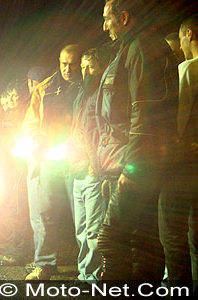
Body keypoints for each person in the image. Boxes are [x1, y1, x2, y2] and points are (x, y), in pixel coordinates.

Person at [96, 0, 178, 280]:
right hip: (123, 161)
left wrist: (132, 167)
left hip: (136, 165)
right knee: (139, 242)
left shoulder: (140, 47)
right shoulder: (129, 48)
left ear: (125, 17)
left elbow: (144, 110)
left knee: (112, 240)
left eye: (107, 19)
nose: (104, 26)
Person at [22, 44, 82, 280]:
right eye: (64, 63)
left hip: (78, 156)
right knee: (44, 211)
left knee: (84, 215)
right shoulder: (45, 88)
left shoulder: (88, 84)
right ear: (58, 61)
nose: (68, 68)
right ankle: (45, 264)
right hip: (49, 156)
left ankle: (91, 269)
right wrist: (33, 143)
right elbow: (31, 120)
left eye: (73, 63)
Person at [159, 14, 198, 292]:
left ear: (190, 34)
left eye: (182, 37)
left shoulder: (188, 70)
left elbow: (181, 120)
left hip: (186, 163)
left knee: (172, 232)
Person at [69, 48, 110, 284]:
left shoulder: (103, 94)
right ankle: (84, 273)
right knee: (81, 227)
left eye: (90, 67)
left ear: (101, 68)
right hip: (78, 168)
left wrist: (97, 164)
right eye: (83, 67)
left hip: (94, 170)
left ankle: (93, 277)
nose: (85, 72)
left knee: (93, 230)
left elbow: (101, 132)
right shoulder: (81, 95)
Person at [0, 79, 33, 267]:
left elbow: (16, 140)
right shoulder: (9, 115)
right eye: (5, 103)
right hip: (8, 166)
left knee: (17, 208)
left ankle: (17, 251)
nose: (8, 105)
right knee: (10, 207)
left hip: (18, 165)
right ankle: (12, 247)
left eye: (11, 100)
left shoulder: (23, 113)